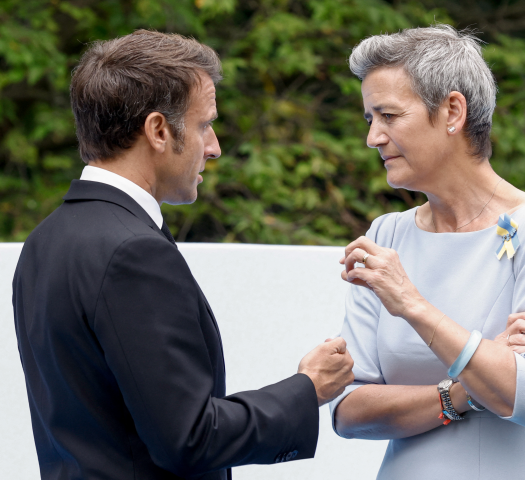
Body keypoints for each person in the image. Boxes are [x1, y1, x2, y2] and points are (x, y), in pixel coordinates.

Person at [12, 30, 354, 480]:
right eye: (203, 125)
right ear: (158, 130)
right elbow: (189, 438)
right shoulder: (134, 253)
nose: (213, 147)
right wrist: (306, 390)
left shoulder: (45, 240)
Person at [329, 25, 525, 479]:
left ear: (452, 111)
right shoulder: (386, 235)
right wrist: (464, 388)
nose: (373, 138)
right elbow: (347, 409)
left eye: (389, 116)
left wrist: (412, 306)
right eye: (369, 120)